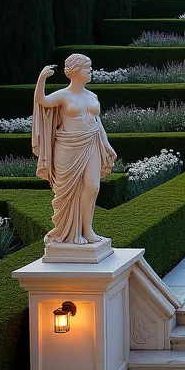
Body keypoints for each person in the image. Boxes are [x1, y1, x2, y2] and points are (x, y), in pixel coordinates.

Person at [32, 54, 117, 245]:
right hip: (68, 147)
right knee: (70, 191)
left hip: (92, 143)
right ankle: (72, 233)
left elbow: (98, 123)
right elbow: (42, 101)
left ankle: (88, 230)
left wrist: (107, 145)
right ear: (75, 71)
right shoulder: (63, 95)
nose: (90, 71)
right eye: (87, 68)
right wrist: (42, 78)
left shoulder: (92, 96)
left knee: (92, 187)